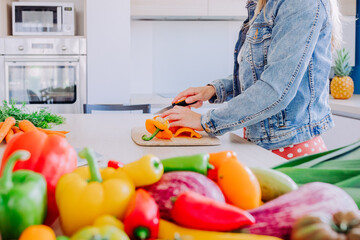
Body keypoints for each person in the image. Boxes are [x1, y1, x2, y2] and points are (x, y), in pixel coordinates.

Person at [161, 0, 342, 160]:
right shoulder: (266, 3)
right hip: (266, 146)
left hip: (290, 150)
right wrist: (214, 90)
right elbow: (263, 74)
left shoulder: (299, 3)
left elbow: (276, 90)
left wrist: (205, 121)